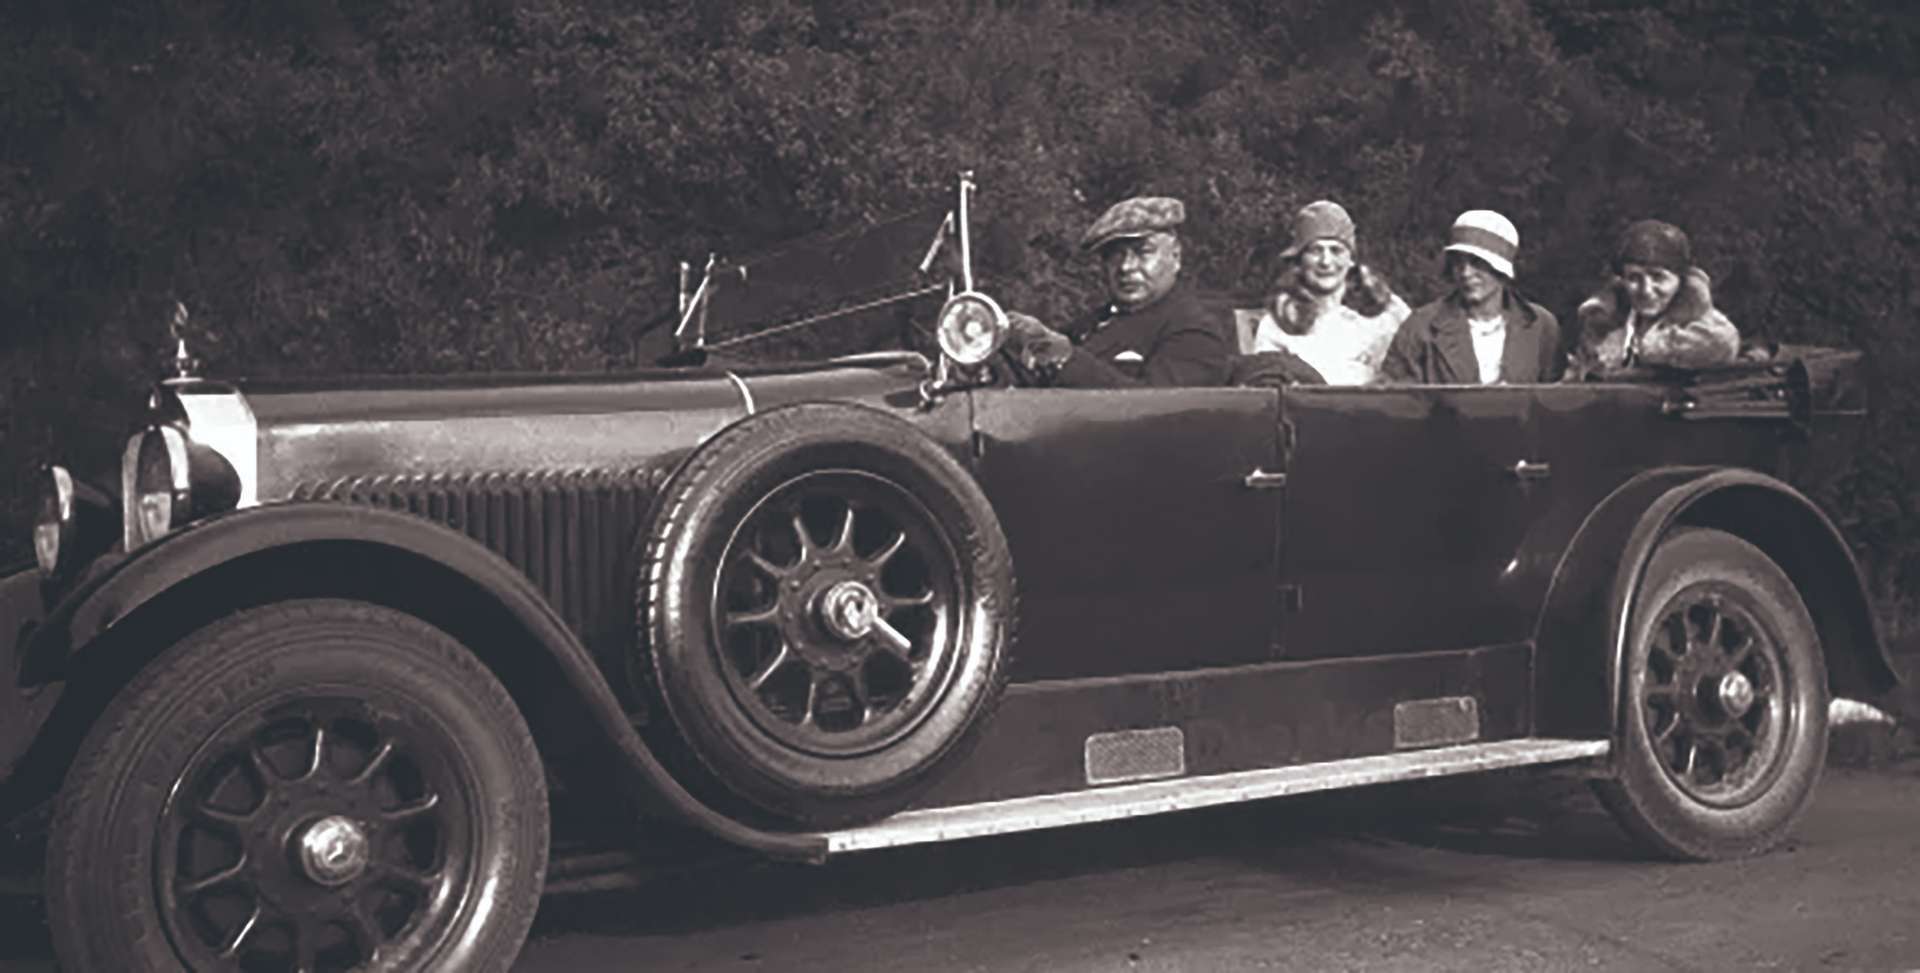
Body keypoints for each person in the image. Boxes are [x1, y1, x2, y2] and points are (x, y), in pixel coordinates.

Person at [1003, 196, 1230, 387]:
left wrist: (1067, 358)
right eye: (1115, 254)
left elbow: (1161, 414)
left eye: (1143, 252)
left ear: (1176, 257)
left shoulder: (1194, 331)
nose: (1126, 266)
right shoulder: (1091, 324)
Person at [1378, 210, 1562, 384]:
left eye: (1477, 263)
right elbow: (1395, 401)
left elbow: (1558, 401)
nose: (1466, 273)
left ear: (1501, 270)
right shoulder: (1421, 327)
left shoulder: (1541, 326)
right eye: (1458, 262)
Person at [1240, 200, 1410, 385]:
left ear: (1351, 259)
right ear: (1299, 260)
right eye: (1315, 250)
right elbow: (1266, 385)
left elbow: (1414, 372)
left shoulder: (1388, 312)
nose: (1326, 261)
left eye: (1336, 250)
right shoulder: (1281, 320)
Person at [1566, 219, 1741, 377]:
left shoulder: (1706, 329)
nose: (1646, 290)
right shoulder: (1603, 325)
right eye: (1634, 278)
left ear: (1680, 278)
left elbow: (1722, 344)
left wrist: (1648, 348)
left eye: (1658, 277)